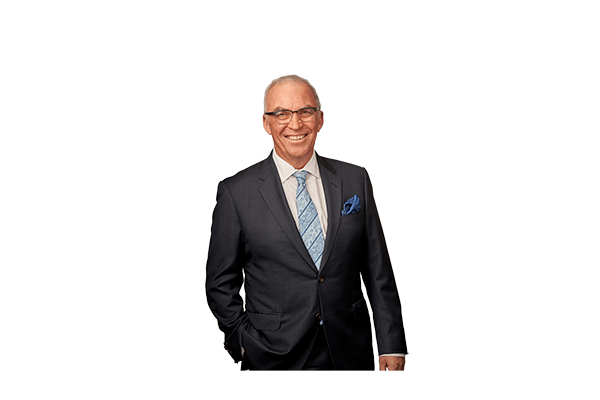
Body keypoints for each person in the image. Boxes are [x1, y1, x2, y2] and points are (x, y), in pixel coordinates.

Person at [205, 74, 408, 371]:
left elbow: (378, 272)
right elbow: (220, 283)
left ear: (320, 119)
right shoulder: (236, 192)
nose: (295, 123)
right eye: (282, 113)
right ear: (267, 123)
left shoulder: (355, 180)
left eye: (305, 111)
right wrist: (244, 342)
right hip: (272, 357)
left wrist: (392, 344)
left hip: (349, 352)